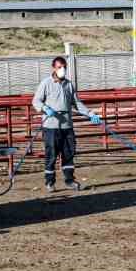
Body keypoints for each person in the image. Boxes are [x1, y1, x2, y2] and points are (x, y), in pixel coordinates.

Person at [31, 55, 99, 192]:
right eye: (59, 67)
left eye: (64, 67)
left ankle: (70, 180)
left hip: (67, 126)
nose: (62, 69)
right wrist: (45, 108)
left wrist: (90, 114)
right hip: (51, 126)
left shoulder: (69, 84)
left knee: (69, 153)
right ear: (54, 68)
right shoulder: (46, 83)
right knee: (51, 154)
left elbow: (76, 103)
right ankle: (49, 182)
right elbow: (36, 101)